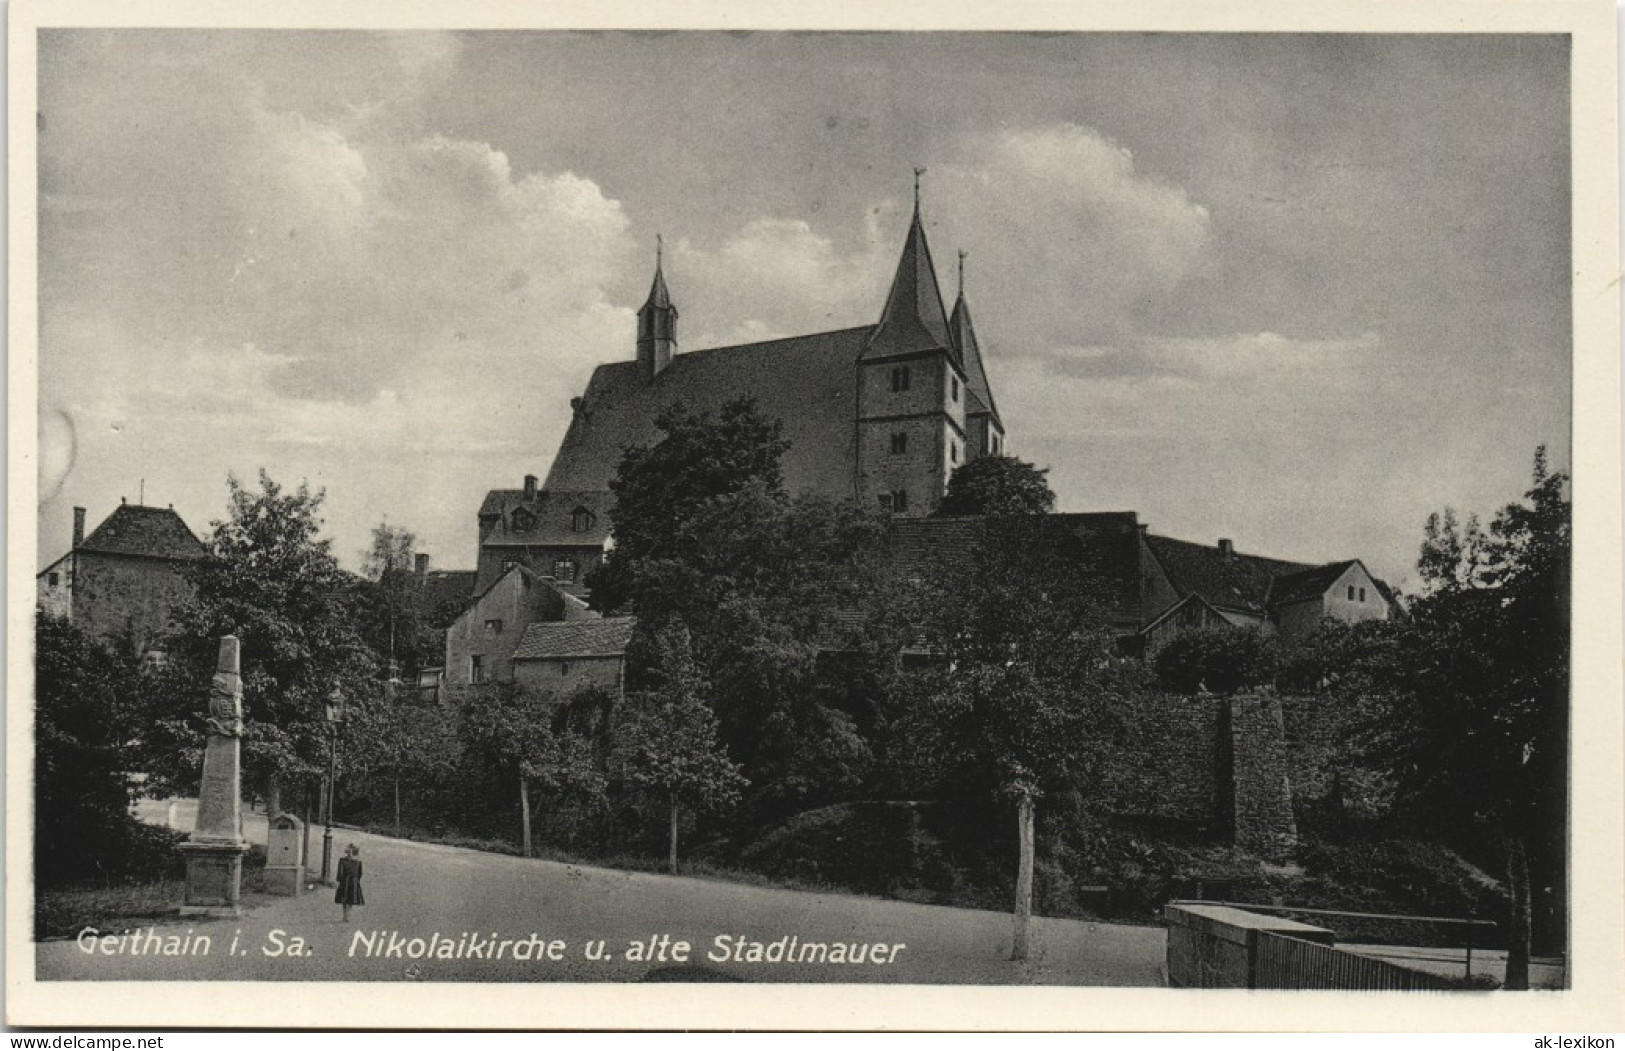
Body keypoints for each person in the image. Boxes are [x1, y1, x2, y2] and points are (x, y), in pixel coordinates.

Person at [335, 843, 364, 921]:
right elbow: (359, 874)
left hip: (349, 881)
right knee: (347, 899)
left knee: (348, 899)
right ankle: (346, 915)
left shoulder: (355, 862)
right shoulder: (355, 862)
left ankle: (347, 915)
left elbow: (359, 873)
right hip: (349, 882)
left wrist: (340, 880)